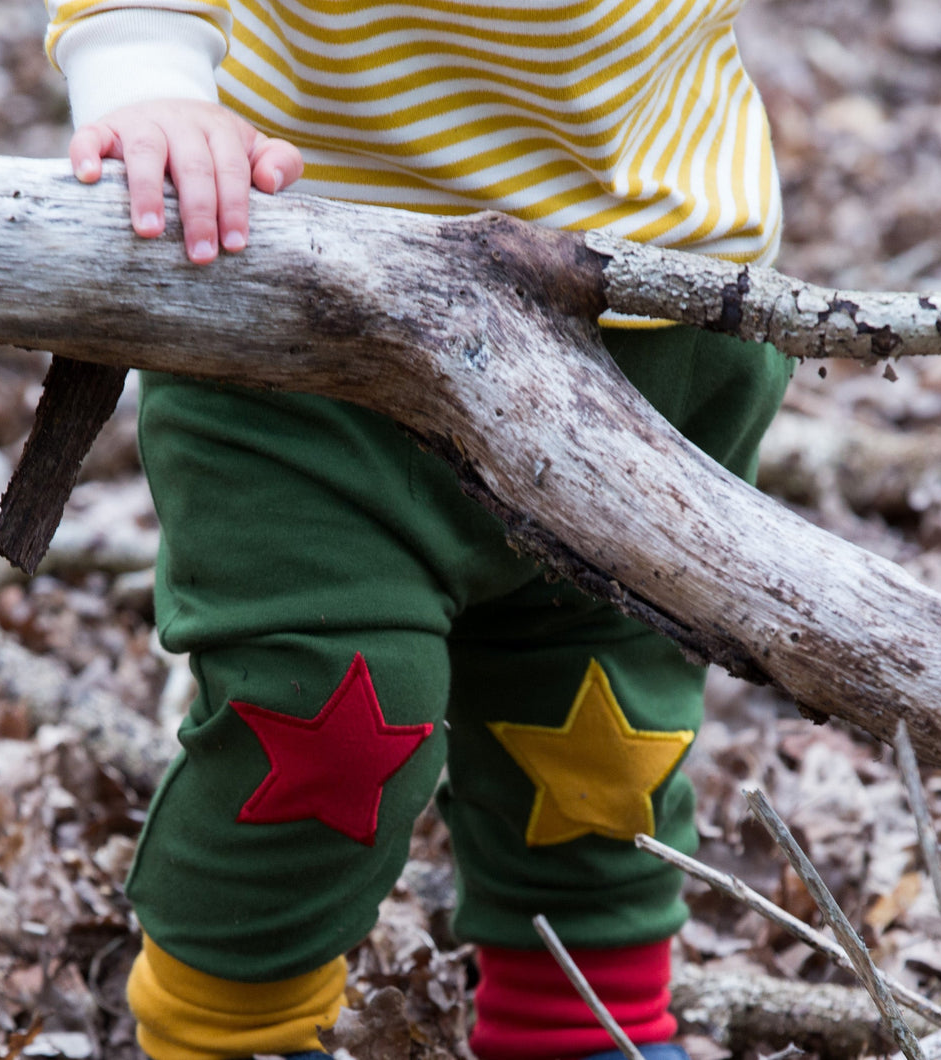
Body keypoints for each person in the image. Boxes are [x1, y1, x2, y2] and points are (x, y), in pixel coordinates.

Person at [43, 3, 792, 1058]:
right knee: (327, 702)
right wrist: (142, 71)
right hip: (304, 290)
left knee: (600, 725)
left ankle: (579, 1022)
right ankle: (229, 1026)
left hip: (660, 293)